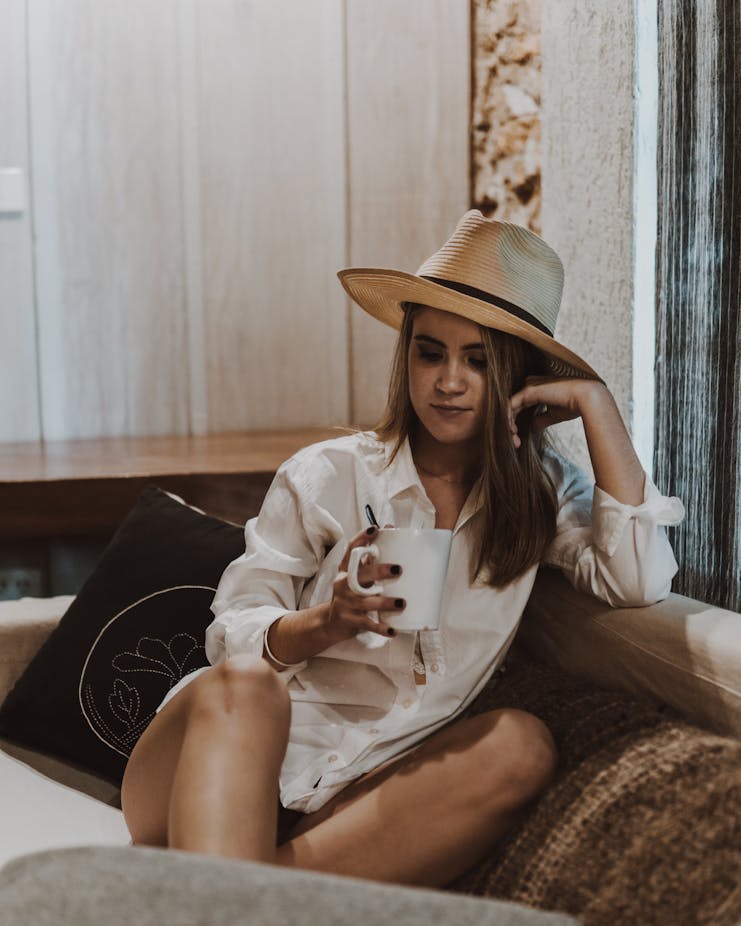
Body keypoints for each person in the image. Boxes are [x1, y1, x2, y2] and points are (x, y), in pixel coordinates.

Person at [121, 211, 684, 887]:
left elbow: (637, 578)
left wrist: (598, 405)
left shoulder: (540, 497)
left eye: (477, 360)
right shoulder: (329, 473)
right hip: (209, 759)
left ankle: (241, 896)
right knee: (247, 682)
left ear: (517, 375)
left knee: (521, 745)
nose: (448, 380)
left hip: (359, 792)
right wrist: (324, 622)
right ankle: (248, 903)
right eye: (430, 351)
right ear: (406, 355)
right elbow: (230, 636)